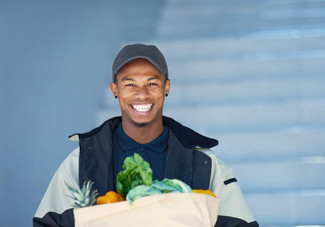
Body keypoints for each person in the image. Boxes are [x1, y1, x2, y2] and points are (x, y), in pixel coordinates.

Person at [33, 44, 259, 227]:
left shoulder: (204, 162)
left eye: (152, 83)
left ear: (166, 87)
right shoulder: (82, 160)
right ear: (115, 90)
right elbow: (47, 223)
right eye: (130, 84)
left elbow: (241, 225)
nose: (142, 94)